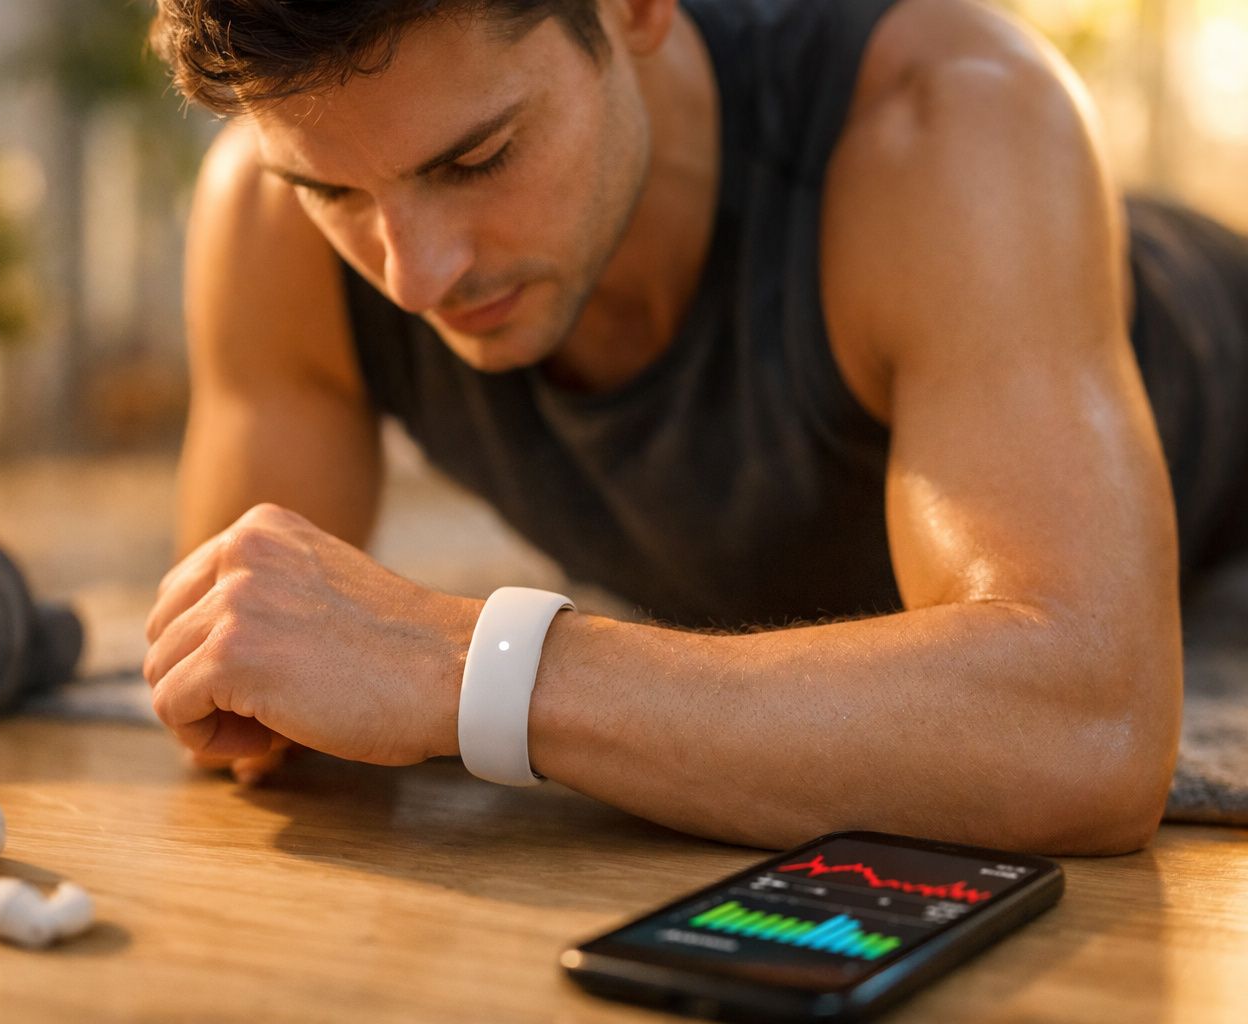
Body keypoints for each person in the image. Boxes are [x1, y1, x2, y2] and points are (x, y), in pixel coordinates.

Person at [139, 0, 1248, 854]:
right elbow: (244, 692)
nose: (417, 274)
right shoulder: (268, 209)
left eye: (476, 160)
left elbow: (1086, 731)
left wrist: (462, 663)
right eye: (335, 194)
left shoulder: (945, 120)